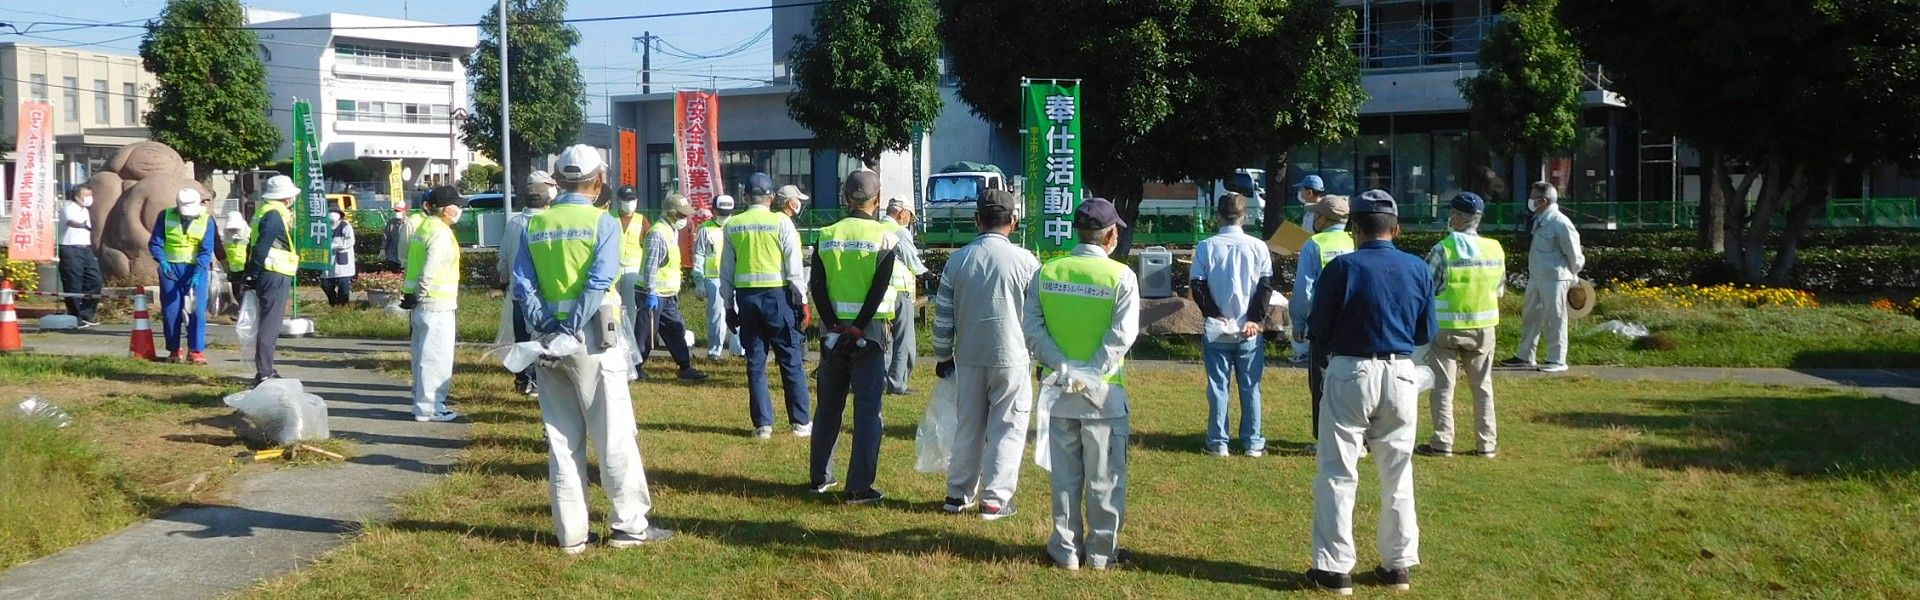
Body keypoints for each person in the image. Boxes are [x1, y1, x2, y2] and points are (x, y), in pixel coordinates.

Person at [510, 144, 672, 553]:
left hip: (547, 345)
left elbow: (522, 286)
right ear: (598, 182)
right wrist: (570, 326)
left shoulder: (535, 225)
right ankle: (628, 527)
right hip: (595, 342)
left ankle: (571, 536)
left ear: (559, 181)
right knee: (614, 436)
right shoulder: (604, 223)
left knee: (562, 443)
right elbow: (599, 282)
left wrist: (549, 327)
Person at [1304, 189, 1434, 595]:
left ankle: (1334, 568)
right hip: (1400, 372)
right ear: (1395, 228)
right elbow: (1425, 331)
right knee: (1397, 473)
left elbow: (1318, 327)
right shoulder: (1417, 268)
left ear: (1355, 229)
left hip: (1351, 369)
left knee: (1338, 471)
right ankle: (1398, 564)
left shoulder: (1343, 268)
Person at [1026, 198, 1140, 571]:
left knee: (1064, 477)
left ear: (1079, 232)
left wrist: (1063, 368)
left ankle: (1065, 550)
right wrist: (1087, 374)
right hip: (1102, 395)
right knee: (1105, 480)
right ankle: (1102, 554)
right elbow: (1120, 337)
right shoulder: (1121, 277)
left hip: (1059, 391)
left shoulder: (1048, 272)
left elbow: (1032, 330)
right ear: (1110, 235)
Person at [932, 188, 1040, 520]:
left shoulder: (958, 259)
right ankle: (995, 499)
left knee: (969, 426)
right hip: (1012, 356)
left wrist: (941, 355)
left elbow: (943, 314)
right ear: (1014, 221)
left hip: (967, 356)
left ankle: (957, 493)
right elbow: (1036, 317)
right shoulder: (1026, 262)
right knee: (1008, 426)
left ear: (977, 219)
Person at [806, 171, 904, 505]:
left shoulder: (826, 234)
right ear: (877, 201)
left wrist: (834, 324)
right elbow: (879, 288)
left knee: (828, 408)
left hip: (832, 336)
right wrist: (859, 326)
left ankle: (820, 476)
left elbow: (816, 285)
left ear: (846, 198)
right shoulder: (886, 237)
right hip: (870, 334)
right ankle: (859, 487)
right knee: (868, 410)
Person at [722, 173, 814, 439]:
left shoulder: (733, 225)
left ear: (745, 197)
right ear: (772, 197)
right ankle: (800, 422)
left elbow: (726, 269)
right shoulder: (781, 223)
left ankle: (763, 425)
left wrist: (728, 305)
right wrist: (803, 302)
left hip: (746, 299)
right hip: (778, 297)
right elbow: (794, 268)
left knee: (755, 362)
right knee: (790, 359)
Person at [1419, 192, 1504, 459]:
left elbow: (1425, 287)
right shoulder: (1495, 248)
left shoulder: (1442, 249)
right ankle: (1486, 444)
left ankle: (1443, 443)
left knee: (1444, 388)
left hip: (1446, 328)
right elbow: (1499, 290)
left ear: (1456, 217)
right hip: (1483, 328)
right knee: (1482, 387)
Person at [1190, 193, 1274, 457]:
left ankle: (1218, 442)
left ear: (1217, 216)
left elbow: (1198, 285)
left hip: (1217, 328)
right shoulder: (1258, 246)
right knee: (1251, 386)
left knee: (1217, 386)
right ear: (1245, 216)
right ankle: (1253, 443)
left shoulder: (1206, 246)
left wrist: (1215, 315)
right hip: (1248, 328)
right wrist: (1255, 319)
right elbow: (1265, 286)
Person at [1503, 182, 1585, 374]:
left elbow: (1575, 254)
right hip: (1537, 276)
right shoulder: (1540, 219)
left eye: (1533, 197)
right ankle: (1525, 356)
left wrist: (1572, 276)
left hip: (1556, 278)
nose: (1530, 201)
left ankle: (1556, 359)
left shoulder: (1560, 222)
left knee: (1555, 319)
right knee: (1531, 317)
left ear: (1543, 200)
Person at [1291, 195, 1353, 440]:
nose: (1314, 218)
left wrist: (1298, 321)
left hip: (1323, 324)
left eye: (1316, 214)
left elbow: (1304, 291)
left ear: (1324, 219)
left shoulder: (1313, 244)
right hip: (1353, 323)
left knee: (1321, 383)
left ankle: (1324, 437)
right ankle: (1357, 437)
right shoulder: (1355, 242)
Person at [402, 187, 466, 423]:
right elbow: (429, 270)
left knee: (421, 356)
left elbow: (413, 264)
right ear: (447, 209)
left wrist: (411, 294)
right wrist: (419, 292)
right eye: (457, 206)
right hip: (436, 304)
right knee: (436, 359)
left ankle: (421, 403)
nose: (460, 210)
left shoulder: (425, 227)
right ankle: (431, 407)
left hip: (420, 305)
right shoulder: (440, 233)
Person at [636, 194, 710, 382]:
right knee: (645, 334)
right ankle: (635, 368)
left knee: (676, 330)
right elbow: (650, 267)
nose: (685, 219)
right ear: (671, 213)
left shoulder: (671, 231)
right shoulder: (658, 234)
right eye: (681, 215)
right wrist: (651, 293)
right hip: (651, 293)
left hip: (667, 294)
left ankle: (685, 367)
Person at [499, 170, 557, 396]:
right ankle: (539, 380)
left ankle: (524, 379)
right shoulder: (550, 222)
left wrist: (504, 280)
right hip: (546, 294)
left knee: (522, 337)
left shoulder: (515, 223)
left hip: (518, 293)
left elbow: (503, 258)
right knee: (542, 338)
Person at [238, 175, 300, 385]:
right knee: (270, 325)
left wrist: (251, 274)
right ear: (287, 197)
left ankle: (265, 369)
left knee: (267, 323)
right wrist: (252, 274)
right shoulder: (275, 214)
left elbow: (254, 245)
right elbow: (263, 247)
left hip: (267, 272)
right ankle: (265, 372)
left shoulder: (264, 211)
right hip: (274, 273)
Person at [147, 188, 218, 364]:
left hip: (196, 271)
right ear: (177, 205)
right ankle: (173, 350)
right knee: (171, 311)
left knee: (197, 311)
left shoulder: (206, 220)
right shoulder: (165, 216)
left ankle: (195, 351)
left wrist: (199, 270)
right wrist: (162, 260)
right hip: (170, 270)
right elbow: (156, 242)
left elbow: (207, 248)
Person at [883, 198, 928, 395]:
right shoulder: (900, 231)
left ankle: (881, 380)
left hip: (878, 294)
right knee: (904, 340)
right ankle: (897, 384)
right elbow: (913, 260)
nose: (909, 220)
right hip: (899, 292)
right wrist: (927, 274)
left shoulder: (876, 228)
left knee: (885, 339)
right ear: (902, 213)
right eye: (910, 216)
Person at [693, 194, 745, 359]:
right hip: (712, 278)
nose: (724, 216)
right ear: (713, 210)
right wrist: (699, 281)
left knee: (739, 313)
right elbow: (698, 256)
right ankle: (714, 352)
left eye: (727, 213)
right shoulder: (705, 229)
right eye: (721, 213)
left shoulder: (737, 226)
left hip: (735, 278)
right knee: (716, 316)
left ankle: (738, 351)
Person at [615, 187, 652, 378]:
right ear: (618, 200)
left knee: (630, 316)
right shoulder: (609, 218)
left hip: (633, 271)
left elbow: (650, 245)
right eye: (625, 199)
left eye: (631, 199)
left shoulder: (641, 220)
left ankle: (630, 359)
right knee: (611, 313)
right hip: (613, 271)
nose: (628, 203)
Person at [58, 186, 102, 327]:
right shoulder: (68, 207)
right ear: (77, 196)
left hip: (85, 249)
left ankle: (87, 314)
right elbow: (71, 222)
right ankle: (74, 316)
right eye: (86, 195)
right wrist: (81, 225)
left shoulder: (86, 210)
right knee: (73, 283)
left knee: (95, 280)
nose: (90, 197)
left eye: (91, 194)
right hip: (71, 249)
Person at [321, 208, 356, 306]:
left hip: (343, 259)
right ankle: (333, 302)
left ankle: (343, 306)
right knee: (326, 283)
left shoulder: (345, 225)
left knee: (343, 284)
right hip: (328, 259)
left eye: (335, 213)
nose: (332, 215)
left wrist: (340, 246)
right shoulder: (324, 225)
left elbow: (350, 240)